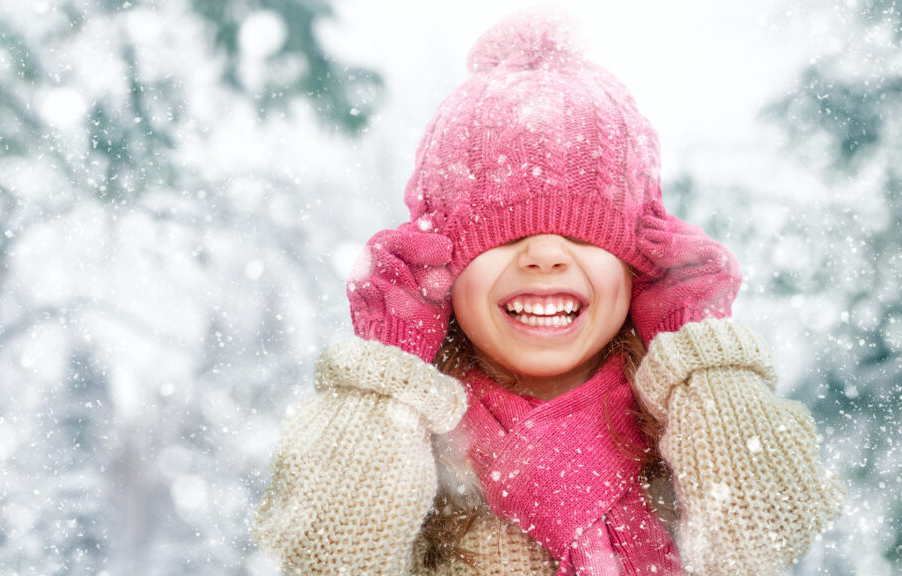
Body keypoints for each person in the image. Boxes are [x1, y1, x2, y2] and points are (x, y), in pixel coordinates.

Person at [253, 8, 843, 576]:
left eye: (587, 236)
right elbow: (329, 555)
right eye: (503, 235)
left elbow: (762, 536)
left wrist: (693, 345)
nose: (545, 254)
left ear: (640, 265)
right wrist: (392, 365)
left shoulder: (681, 420)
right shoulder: (406, 428)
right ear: (443, 270)